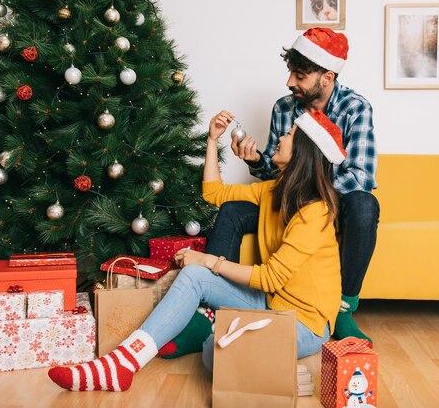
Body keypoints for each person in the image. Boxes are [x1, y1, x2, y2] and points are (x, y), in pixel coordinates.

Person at [47, 110, 344, 392]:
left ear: (304, 151)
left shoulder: (315, 211)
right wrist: (212, 140)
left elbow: (270, 277)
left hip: (305, 323)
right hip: (270, 303)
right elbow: (213, 193)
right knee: (192, 275)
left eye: (289, 134)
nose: (280, 138)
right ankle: (122, 363)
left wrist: (209, 259)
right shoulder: (272, 191)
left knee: (213, 352)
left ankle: (212, 331)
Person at [161, 27, 379, 358]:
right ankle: (208, 312)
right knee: (233, 209)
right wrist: (256, 160)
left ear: (327, 76)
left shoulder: (355, 108)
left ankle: (343, 309)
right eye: (290, 72)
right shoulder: (284, 108)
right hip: (289, 198)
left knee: (365, 204)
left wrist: (311, 194)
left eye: (300, 75)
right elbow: (276, 173)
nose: (290, 82)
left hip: (331, 205)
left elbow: (361, 176)